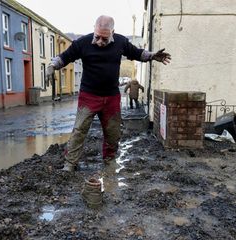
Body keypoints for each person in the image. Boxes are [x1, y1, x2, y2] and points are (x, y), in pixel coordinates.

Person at [47, 15, 171, 172]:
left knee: (113, 132)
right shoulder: (83, 43)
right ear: (94, 29)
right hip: (89, 96)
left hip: (111, 97)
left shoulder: (120, 42)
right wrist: (52, 66)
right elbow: (65, 57)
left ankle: (110, 160)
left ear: (113, 32)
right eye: (97, 37)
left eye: (104, 38)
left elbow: (136, 53)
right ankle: (70, 163)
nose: (100, 41)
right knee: (79, 130)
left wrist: (152, 56)